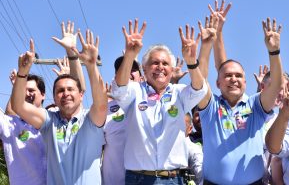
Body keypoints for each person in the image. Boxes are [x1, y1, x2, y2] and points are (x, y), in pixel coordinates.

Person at [197, 0, 284, 183]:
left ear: (245, 81)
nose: (233, 79)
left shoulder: (256, 105)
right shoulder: (210, 107)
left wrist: (274, 52)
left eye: (238, 76)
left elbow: (276, 85)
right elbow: (199, 79)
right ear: (218, 83)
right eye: (228, 76)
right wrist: (207, 44)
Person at [111, 19, 207, 184]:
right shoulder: (135, 90)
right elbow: (119, 89)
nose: (160, 67)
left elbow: (200, 90)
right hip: (138, 178)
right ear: (145, 68)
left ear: (171, 70)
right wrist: (130, 55)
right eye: (154, 63)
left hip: (173, 178)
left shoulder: (179, 92)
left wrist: (191, 61)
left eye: (165, 63)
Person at [11, 27, 107, 185]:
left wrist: (91, 66)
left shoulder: (91, 119)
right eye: (60, 91)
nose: (66, 93)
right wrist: (23, 73)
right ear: (54, 98)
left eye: (70, 89)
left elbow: (101, 103)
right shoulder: (49, 122)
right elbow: (18, 106)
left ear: (81, 94)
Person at [102, 55, 142, 185]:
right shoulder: (104, 110)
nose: (127, 72)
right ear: (116, 77)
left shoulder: (153, 106)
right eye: (122, 69)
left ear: (142, 78)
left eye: (133, 69)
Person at [0, 71, 46, 185]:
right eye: (23, 90)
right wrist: (16, 87)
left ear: (43, 94)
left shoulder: (54, 122)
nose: (26, 94)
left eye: (31, 90)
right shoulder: (9, 125)